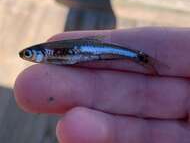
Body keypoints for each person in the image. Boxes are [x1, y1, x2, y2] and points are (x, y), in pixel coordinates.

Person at [14, 27, 190, 143]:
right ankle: (140, 58)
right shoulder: (50, 51)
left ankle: (141, 58)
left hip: (91, 50)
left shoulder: (49, 52)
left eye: (29, 54)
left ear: (40, 53)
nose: (29, 56)